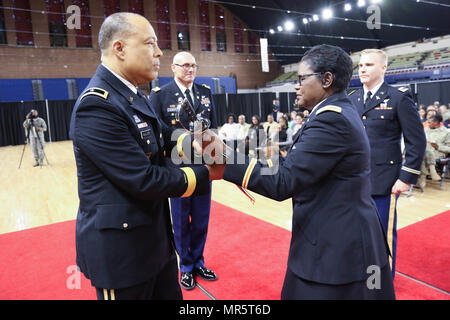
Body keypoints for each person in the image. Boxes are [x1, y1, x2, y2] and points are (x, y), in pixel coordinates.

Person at [207, 44, 395, 300]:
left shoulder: (331, 119)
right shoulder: (339, 110)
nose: (296, 86)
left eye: (301, 79)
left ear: (327, 79)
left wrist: (224, 157)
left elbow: (283, 182)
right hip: (345, 237)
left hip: (336, 250)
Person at [69, 12, 211, 300]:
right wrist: (209, 172)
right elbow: (144, 179)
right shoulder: (97, 106)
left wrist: (191, 141)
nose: (158, 52)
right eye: (150, 43)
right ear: (119, 48)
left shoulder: (133, 95)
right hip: (121, 257)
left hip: (155, 243)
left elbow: (160, 138)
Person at [348, 49, 426, 278]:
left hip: (385, 182)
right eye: (360, 65)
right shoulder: (352, 98)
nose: (362, 69)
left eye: (369, 65)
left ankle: (382, 285)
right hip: (353, 181)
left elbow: (417, 141)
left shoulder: (398, 97)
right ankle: (361, 278)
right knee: (355, 234)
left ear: (383, 68)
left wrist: (406, 178)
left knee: (381, 235)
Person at [149, 51, 218, 290]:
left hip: (203, 167)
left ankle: (198, 261)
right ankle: (185, 266)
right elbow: (156, 133)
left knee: (200, 219)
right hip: (178, 168)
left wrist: (215, 157)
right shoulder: (160, 95)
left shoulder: (205, 93)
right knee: (180, 219)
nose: (190, 69)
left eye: (193, 65)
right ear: (174, 67)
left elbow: (213, 129)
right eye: (185, 65)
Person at [417, 114, 450, 189]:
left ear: (436, 122)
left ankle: (423, 176)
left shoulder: (447, 132)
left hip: (438, 153)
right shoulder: (426, 130)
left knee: (425, 150)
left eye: (429, 122)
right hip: (424, 153)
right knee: (424, 148)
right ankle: (432, 170)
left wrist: (437, 146)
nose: (427, 124)